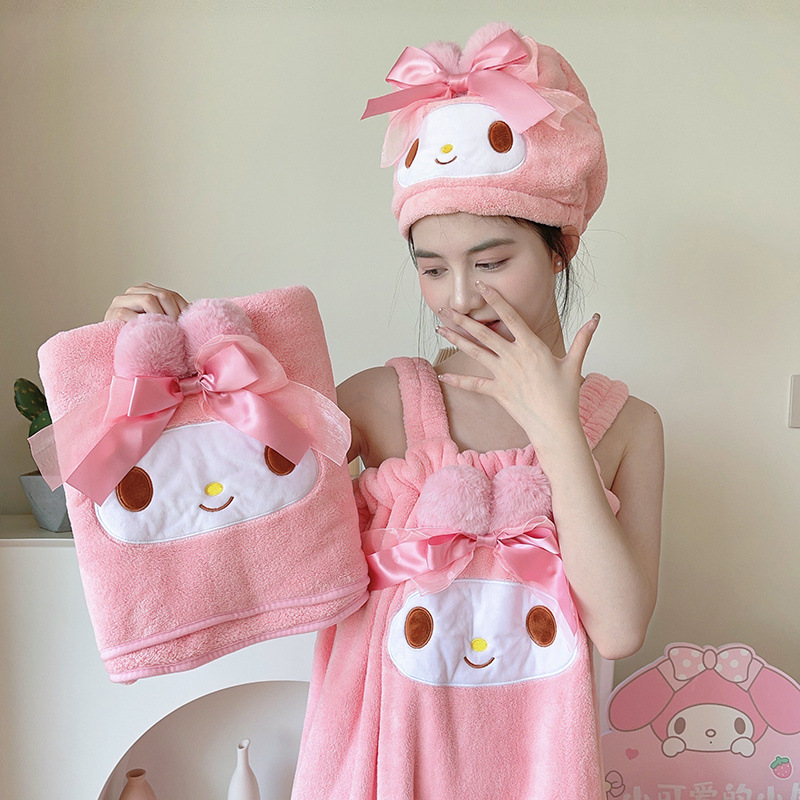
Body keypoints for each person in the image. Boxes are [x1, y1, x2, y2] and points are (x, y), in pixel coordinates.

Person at [105, 22, 663, 800]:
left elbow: (620, 627)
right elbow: (221, 513)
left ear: (560, 248)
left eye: (493, 260)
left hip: (537, 777)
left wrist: (555, 427)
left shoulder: (627, 428)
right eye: (432, 269)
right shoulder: (378, 403)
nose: (461, 297)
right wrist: (144, 356)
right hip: (379, 772)